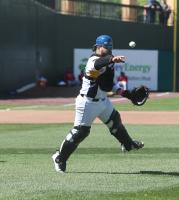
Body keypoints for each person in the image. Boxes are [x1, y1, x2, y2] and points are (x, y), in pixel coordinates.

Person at [52, 35, 144, 173]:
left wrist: (126, 94)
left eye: (111, 47)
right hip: (87, 103)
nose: (109, 50)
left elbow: (108, 85)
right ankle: (59, 157)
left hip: (103, 101)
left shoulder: (109, 61)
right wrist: (111, 59)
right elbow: (98, 64)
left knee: (115, 121)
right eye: (106, 47)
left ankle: (128, 144)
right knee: (80, 132)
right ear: (98, 46)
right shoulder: (93, 61)